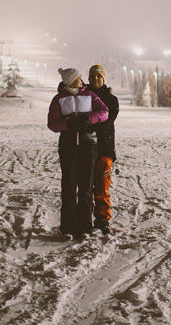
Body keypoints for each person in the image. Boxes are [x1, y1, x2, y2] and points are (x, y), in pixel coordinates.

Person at [47, 67, 109, 240]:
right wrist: (68, 124)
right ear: (70, 80)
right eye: (78, 78)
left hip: (88, 144)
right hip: (68, 145)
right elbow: (52, 123)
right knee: (68, 186)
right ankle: (67, 227)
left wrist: (87, 119)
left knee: (86, 187)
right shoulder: (59, 99)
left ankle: (85, 227)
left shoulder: (89, 95)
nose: (82, 80)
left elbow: (104, 112)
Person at [88, 64, 119, 235]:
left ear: (103, 78)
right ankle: (85, 218)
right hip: (86, 148)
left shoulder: (111, 99)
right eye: (92, 77)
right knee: (85, 188)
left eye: (98, 76)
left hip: (105, 149)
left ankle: (102, 219)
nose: (95, 79)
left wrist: (89, 123)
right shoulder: (85, 96)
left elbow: (108, 120)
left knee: (102, 187)